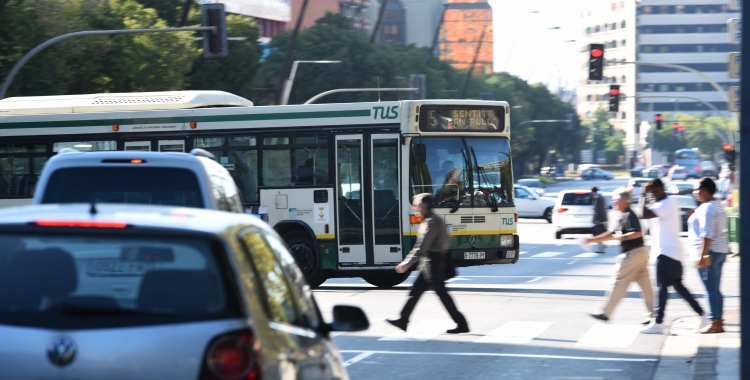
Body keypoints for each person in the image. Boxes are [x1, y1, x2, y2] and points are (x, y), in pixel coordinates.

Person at [387, 193, 469, 334]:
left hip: (434, 262)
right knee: (416, 290)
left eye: (416, 205)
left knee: (442, 293)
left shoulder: (432, 221)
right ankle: (403, 319)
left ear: (423, 206)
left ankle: (462, 323)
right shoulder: (431, 219)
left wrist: (406, 263)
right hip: (429, 261)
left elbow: (422, 247)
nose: (414, 208)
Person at [640, 178, 708, 334]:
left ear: (662, 189)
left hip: (666, 253)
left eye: (655, 191)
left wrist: (643, 194)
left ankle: (658, 322)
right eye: (652, 193)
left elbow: (643, 214)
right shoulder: (664, 204)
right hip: (671, 252)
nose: (653, 195)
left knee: (661, 288)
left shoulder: (665, 204)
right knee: (679, 287)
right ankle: (702, 314)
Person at [586, 189, 653, 323]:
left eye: (615, 199)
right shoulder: (624, 215)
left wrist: (621, 236)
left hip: (635, 253)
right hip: (640, 253)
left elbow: (638, 233)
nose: (613, 202)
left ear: (622, 201)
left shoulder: (628, 215)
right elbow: (612, 234)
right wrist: (591, 240)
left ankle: (606, 313)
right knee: (646, 285)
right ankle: (655, 316)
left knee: (619, 280)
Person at [689, 178, 729, 334]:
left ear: (705, 190)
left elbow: (707, 235)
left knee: (710, 290)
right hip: (720, 251)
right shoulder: (718, 205)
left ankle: (715, 323)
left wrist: (701, 256)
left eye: (696, 189)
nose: (694, 193)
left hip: (709, 253)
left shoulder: (707, 209)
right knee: (715, 289)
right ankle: (718, 322)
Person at [591, 187, 608, 253]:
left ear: (593, 191)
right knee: (601, 232)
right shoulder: (600, 197)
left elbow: (598, 210)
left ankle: (601, 249)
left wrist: (597, 219)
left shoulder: (597, 198)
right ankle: (603, 246)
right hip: (602, 218)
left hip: (599, 219)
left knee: (598, 234)